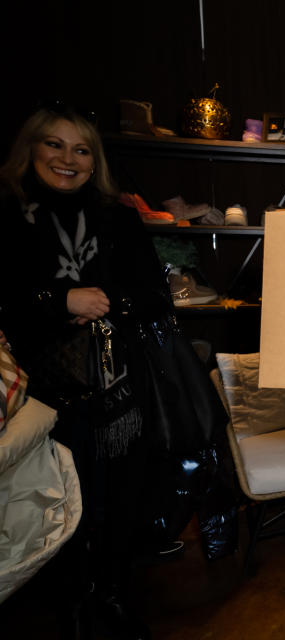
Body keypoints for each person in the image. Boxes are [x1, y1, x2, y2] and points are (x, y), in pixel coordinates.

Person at [0, 104, 173, 639]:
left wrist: (104, 300)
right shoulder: (7, 212)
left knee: (120, 497)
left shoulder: (118, 216)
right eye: (54, 145)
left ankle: (114, 598)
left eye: (81, 150)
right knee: (61, 503)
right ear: (31, 149)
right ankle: (73, 606)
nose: (68, 159)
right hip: (45, 393)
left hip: (120, 388)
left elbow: (156, 298)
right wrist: (59, 299)